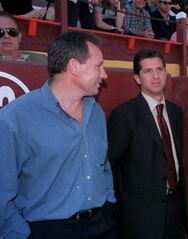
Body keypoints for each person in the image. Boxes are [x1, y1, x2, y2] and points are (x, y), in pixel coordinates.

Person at [0, 31, 118, 239]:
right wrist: (20, 234)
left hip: (103, 224)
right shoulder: (14, 118)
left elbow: (103, 167)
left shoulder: (96, 112)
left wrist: (109, 201)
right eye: (98, 66)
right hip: (47, 230)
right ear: (73, 66)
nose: (104, 74)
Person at [108, 49, 186, 239]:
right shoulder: (123, 116)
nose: (156, 76)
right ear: (137, 78)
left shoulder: (176, 112)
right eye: (148, 71)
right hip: (140, 215)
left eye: (160, 69)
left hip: (175, 208)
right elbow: (112, 166)